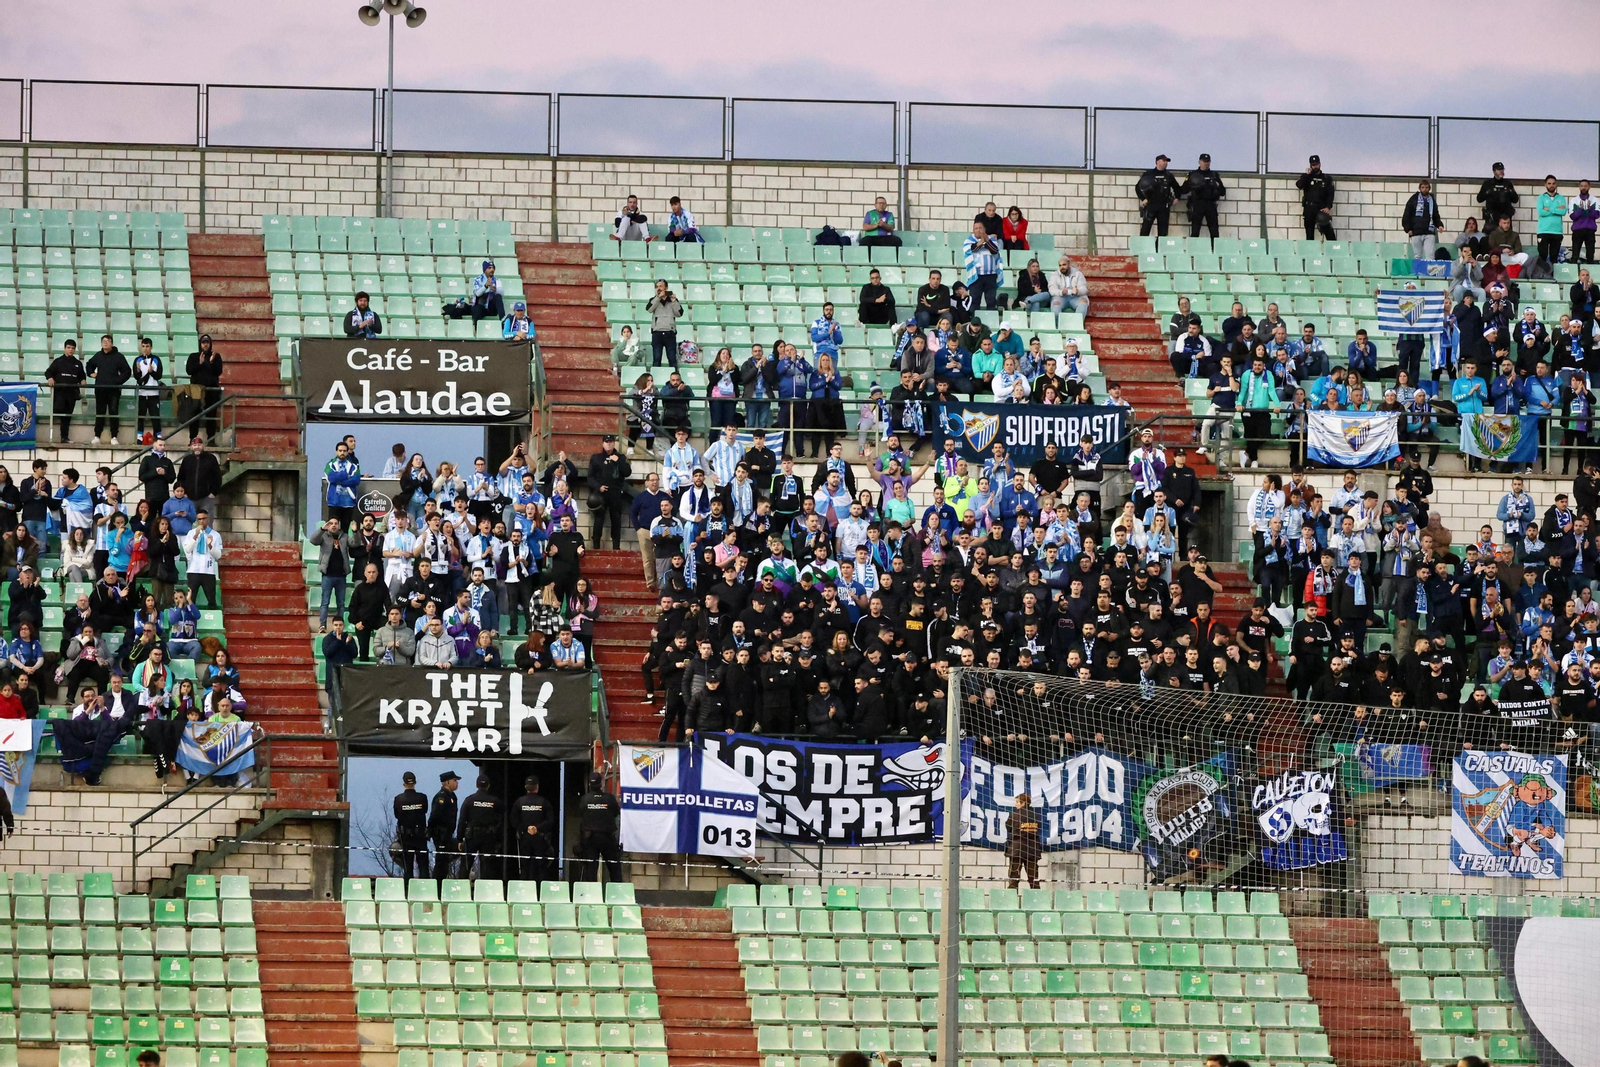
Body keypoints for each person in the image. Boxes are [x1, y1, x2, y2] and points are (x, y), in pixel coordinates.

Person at [574, 772, 622, 883]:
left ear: (590, 785)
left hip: (590, 838)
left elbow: (581, 813)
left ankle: (591, 892)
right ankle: (617, 891)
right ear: (602, 784)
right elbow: (616, 813)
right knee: (614, 869)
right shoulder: (609, 799)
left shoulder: (585, 799)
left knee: (590, 870)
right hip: (607, 837)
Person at [586, 435, 631, 551]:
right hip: (600, 494)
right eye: (606, 442)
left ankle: (616, 546)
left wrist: (618, 462)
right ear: (603, 443)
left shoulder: (621, 457)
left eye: (611, 442)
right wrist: (598, 487)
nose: (609, 444)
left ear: (614, 443)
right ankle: (596, 545)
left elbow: (627, 472)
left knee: (616, 519)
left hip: (615, 494)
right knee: (598, 519)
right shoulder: (596, 458)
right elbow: (590, 477)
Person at [456, 775, 502, 881]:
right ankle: (485, 889)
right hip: (488, 837)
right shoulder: (495, 801)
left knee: (466, 865)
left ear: (476, 785)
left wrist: (459, 839)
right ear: (488, 786)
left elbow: (462, 820)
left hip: (471, 836)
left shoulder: (469, 800)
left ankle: (461, 887)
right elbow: (501, 817)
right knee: (487, 866)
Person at [511, 774, 556, 882]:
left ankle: (524, 889)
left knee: (524, 866)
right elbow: (550, 820)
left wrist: (526, 828)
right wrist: (537, 828)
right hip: (540, 838)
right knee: (541, 867)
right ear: (537, 787)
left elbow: (514, 820)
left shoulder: (519, 802)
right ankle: (539, 890)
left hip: (525, 837)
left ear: (525, 787)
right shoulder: (544, 802)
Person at [310, 518, 352, 632]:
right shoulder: (324, 536)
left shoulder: (344, 536)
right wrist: (322, 529)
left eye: (336, 523)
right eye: (331, 523)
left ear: (339, 525)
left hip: (341, 576)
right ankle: (322, 625)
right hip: (327, 575)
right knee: (325, 602)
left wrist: (355, 532)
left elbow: (354, 543)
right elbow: (313, 540)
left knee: (341, 603)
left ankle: (340, 627)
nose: (333, 525)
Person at [44, 340, 86, 443]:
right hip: (60, 393)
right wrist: (50, 378)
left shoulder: (78, 363)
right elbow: (48, 372)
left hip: (72, 393)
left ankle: (64, 437)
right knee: (59, 411)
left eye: (72, 348)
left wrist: (83, 380)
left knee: (67, 416)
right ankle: (51, 436)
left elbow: (82, 376)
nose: (70, 350)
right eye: (68, 348)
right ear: (65, 348)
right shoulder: (58, 361)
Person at [392, 771, 430, 883]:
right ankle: (425, 888)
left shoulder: (398, 799)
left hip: (405, 837)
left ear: (404, 783)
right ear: (415, 782)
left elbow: (397, 815)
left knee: (407, 867)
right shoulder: (422, 798)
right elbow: (425, 810)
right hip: (420, 836)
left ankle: (408, 888)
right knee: (423, 865)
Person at [185, 334, 224, 441]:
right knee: (194, 414)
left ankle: (211, 439)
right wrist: (199, 363)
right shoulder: (193, 356)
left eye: (207, 343)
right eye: (203, 343)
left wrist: (210, 362)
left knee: (211, 415)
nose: (205, 345)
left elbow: (218, 371)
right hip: (196, 390)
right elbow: (189, 370)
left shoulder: (216, 357)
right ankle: (193, 439)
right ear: (200, 344)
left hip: (211, 390)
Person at [180, 510, 222, 610]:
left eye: (204, 518)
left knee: (211, 599)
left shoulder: (215, 535)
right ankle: (190, 617)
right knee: (191, 599)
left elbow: (218, 555)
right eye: (199, 519)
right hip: (193, 570)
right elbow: (187, 549)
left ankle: (212, 617)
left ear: (208, 519)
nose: (201, 521)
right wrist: (195, 536)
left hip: (208, 571)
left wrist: (210, 546)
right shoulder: (191, 533)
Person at [1181, 153, 1226, 240]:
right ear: (1199, 162)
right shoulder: (1193, 174)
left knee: (1214, 231)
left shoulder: (1214, 175)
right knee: (1195, 231)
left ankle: (1214, 248)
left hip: (1210, 204)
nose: (1206, 164)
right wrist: (1192, 185)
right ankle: (1193, 248)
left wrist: (1216, 185)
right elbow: (1183, 190)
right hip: (1197, 204)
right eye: (1204, 162)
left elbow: (1222, 192)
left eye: (1208, 162)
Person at [177, 437, 222, 523]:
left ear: (203, 446)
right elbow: (181, 477)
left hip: (206, 498)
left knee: (207, 523)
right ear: (191, 447)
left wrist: (214, 492)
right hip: (189, 498)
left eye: (199, 445)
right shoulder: (187, 460)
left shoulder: (211, 459)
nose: (197, 447)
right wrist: (184, 492)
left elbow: (217, 476)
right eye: (194, 445)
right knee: (190, 523)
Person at [428, 770, 461, 883]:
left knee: (445, 862)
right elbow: (435, 816)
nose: (457, 783)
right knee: (441, 863)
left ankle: (441, 884)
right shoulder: (442, 797)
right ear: (447, 782)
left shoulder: (451, 796)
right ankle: (436, 886)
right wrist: (431, 831)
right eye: (454, 780)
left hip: (448, 834)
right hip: (441, 834)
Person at [1136, 154, 1181, 237]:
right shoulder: (1149, 173)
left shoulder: (1168, 175)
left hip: (1163, 206)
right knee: (1145, 228)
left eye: (1166, 161)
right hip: (1151, 204)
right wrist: (1143, 199)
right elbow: (1138, 187)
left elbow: (1177, 188)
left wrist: (1177, 198)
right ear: (1157, 162)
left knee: (1163, 231)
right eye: (1164, 161)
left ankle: (1160, 245)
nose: (1166, 163)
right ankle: (1143, 244)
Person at [962, 221, 1003, 311]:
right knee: (975, 301)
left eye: (980, 228)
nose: (978, 230)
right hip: (976, 276)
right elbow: (972, 249)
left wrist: (987, 240)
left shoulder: (992, 240)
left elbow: (995, 251)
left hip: (991, 275)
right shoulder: (969, 240)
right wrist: (981, 242)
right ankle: (974, 319)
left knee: (991, 301)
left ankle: (991, 318)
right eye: (976, 228)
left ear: (984, 229)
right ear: (973, 230)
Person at [1005, 792, 1042, 890]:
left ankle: (1012, 897)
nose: (1015, 804)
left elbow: (1008, 827)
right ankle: (1036, 897)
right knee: (1033, 878)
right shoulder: (1035, 816)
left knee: (1014, 877)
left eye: (1017, 802)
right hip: (1032, 850)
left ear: (1023, 803)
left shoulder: (1014, 815)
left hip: (1017, 849)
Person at [130, 336, 164, 442]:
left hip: (154, 393)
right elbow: (137, 377)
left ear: (151, 347)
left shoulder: (156, 360)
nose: (145, 349)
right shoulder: (137, 360)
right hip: (142, 393)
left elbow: (159, 376)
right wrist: (138, 371)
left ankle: (158, 435)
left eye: (147, 346)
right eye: (143, 346)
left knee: (155, 416)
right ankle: (139, 436)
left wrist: (151, 372)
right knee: (141, 415)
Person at [1401, 179, 1444, 261]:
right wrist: (1408, 229)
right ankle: (1418, 269)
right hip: (1416, 231)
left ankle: (1429, 269)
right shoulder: (1413, 199)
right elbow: (1407, 214)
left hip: (1429, 231)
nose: (1425, 189)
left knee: (1430, 255)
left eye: (1426, 187)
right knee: (1417, 256)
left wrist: (1439, 225)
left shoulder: (1432, 200)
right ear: (1420, 188)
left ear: (1429, 188)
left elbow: (1435, 215)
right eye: (1423, 187)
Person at [323, 440, 361, 533]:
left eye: (344, 451)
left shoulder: (353, 466)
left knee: (345, 530)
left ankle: (343, 543)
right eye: (340, 451)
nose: (342, 453)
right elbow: (331, 477)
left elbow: (356, 480)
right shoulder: (330, 464)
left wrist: (340, 481)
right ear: (336, 451)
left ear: (347, 452)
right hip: (334, 501)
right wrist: (346, 475)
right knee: (331, 529)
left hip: (348, 502)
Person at [1296, 154, 1336, 240]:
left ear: (1320, 164)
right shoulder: (1307, 177)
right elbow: (1299, 185)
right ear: (1310, 166)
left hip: (1321, 208)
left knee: (1330, 234)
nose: (1315, 167)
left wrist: (1328, 207)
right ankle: (1310, 249)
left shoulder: (1326, 178)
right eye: (1313, 165)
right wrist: (1306, 175)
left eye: (1316, 164)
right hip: (1309, 208)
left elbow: (1330, 194)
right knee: (1309, 235)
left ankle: (1334, 247)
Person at [646, 279, 684, 369]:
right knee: (656, 359)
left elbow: (679, 313)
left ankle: (675, 376)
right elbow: (649, 309)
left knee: (672, 359)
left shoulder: (673, 300)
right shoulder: (653, 300)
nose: (658, 288)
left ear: (666, 288)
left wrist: (674, 301)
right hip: (657, 333)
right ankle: (655, 376)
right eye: (657, 286)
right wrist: (658, 297)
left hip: (670, 333)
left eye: (661, 286)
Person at [1478, 162, 1519, 226]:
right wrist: (1488, 192)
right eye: (1499, 169)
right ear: (1494, 171)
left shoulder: (1507, 184)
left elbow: (1515, 200)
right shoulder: (1488, 184)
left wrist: (1509, 191)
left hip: (1505, 218)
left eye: (1502, 169)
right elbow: (1479, 199)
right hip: (1492, 218)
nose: (1501, 171)